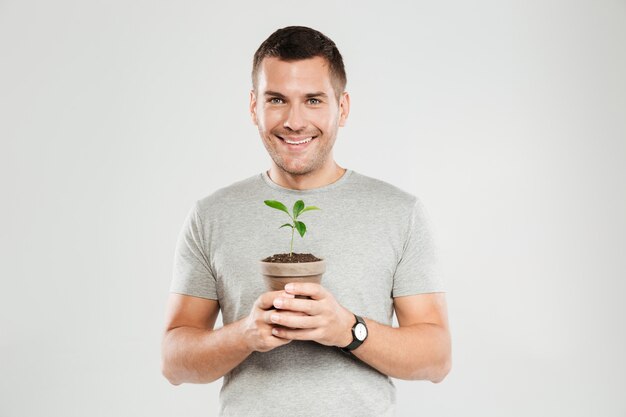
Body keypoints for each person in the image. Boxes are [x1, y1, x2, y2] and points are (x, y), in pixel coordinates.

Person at [161, 26, 451, 416]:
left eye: (313, 100)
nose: (295, 121)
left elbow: (436, 358)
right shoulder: (212, 214)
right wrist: (244, 335)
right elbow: (174, 362)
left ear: (342, 108)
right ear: (253, 107)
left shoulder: (400, 212)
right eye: (277, 99)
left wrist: (348, 330)